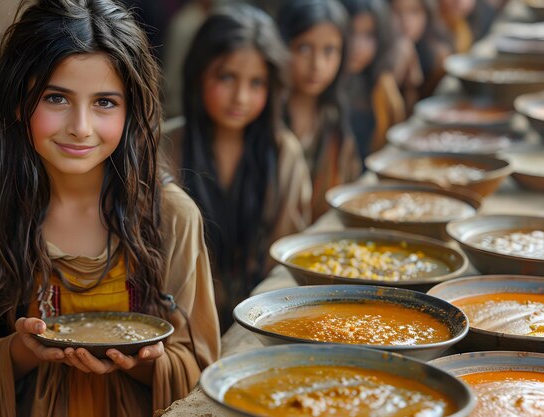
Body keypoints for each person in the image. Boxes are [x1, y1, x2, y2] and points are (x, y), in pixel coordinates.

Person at [0, 0, 220, 416]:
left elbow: (202, 376)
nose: (80, 126)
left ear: (131, 109)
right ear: (17, 101)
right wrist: (21, 350)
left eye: (104, 102)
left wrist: (140, 364)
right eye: (56, 98)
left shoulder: (171, 217)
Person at [161, 4, 312, 331]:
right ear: (198, 73)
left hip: (263, 322)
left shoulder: (283, 153)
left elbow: (285, 260)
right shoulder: (163, 148)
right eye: (226, 77)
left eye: (256, 82)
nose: (240, 97)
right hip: (178, 324)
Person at [277, 0, 362, 218]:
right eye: (304, 48)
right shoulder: (266, 116)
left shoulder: (333, 116)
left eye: (329, 50)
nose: (317, 64)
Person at [340, 0, 406, 159]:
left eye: (368, 35)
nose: (358, 46)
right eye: (351, 32)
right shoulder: (325, 90)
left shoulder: (382, 86)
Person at [390, 0, 454, 99]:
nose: (406, 21)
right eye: (397, 12)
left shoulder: (437, 53)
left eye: (414, 12)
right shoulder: (378, 59)